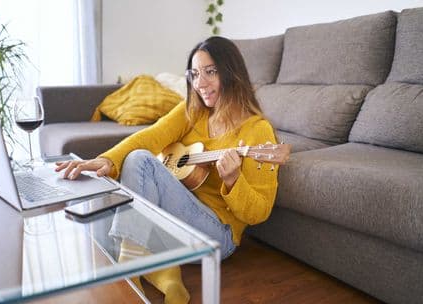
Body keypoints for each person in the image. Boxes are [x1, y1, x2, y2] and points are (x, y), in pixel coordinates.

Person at [56, 36, 290, 304]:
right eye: (194, 74)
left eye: (210, 72)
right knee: (102, 216)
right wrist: (107, 160)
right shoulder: (194, 110)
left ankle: (128, 275)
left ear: (231, 72)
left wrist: (234, 180)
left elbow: (259, 212)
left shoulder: (258, 131)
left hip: (218, 234)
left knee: (141, 162)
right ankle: (167, 279)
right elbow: (150, 136)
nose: (200, 83)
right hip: (177, 221)